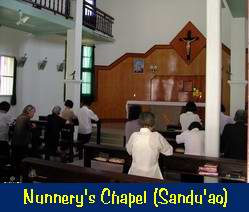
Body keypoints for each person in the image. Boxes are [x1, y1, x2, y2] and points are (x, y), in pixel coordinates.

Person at [126, 112, 173, 179]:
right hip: (152, 175)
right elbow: (169, 151)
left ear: (140, 122)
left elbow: (129, 151)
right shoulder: (157, 136)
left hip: (135, 173)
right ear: (153, 123)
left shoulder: (134, 136)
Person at [12, 105, 36, 174]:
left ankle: (16, 174)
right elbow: (30, 128)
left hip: (15, 142)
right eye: (33, 112)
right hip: (22, 143)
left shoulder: (19, 116)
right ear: (29, 111)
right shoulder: (26, 118)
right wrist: (33, 126)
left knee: (16, 159)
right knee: (23, 159)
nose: (34, 114)